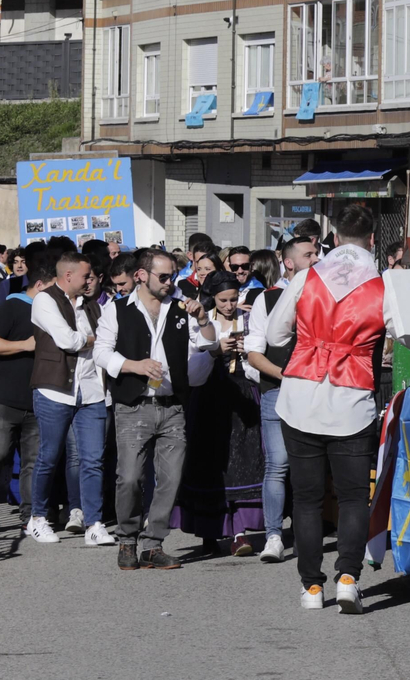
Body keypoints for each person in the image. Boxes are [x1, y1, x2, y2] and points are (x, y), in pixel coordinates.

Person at [262, 202, 399, 612]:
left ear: (334, 238)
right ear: (373, 240)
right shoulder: (383, 284)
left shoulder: (306, 276)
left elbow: (273, 332)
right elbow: (408, 334)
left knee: (306, 497)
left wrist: (311, 340)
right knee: (354, 496)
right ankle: (347, 579)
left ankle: (311, 587)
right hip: (351, 401)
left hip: (300, 396)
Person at [96, 248, 213, 570]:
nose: (169, 282)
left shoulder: (179, 308)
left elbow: (208, 344)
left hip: (173, 405)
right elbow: (101, 353)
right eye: (163, 276)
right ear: (141, 276)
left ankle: (153, 545)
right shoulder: (117, 310)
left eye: (172, 276)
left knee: (170, 478)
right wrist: (134, 365)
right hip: (133, 406)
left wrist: (203, 320)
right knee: (129, 478)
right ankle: (127, 539)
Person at [25, 251, 115, 547]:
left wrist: (93, 341)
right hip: (55, 391)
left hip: (91, 392)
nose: (91, 280)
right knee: (49, 456)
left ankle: (94, 523)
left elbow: (107, 339)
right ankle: (38, 518)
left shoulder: (92, 305)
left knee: (93, 460)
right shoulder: (45, 299)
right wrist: (91, 341)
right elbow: (68, 341)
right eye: (86, 276)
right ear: (68, 276)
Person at [173, 270, 266, 555]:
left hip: (241, 397)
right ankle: (209, 531)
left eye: (234, 299)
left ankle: (239, 531)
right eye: (223, 299)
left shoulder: (248, 320)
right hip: (208, 399)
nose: (229, 305)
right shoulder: (201, 321)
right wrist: (214, 350)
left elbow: (258, 362)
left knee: (243, 465)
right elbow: (191, 368)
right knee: (209, 464)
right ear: (213, 298)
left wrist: (246, 352)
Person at [246, 232, 319, 562]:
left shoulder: (324, 296)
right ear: (289, 263)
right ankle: (273, 536)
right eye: (308, 255)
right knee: (278, 464)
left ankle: (307, 534)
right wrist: (285, 375)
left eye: (317, 252)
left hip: (315, 393)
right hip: (277, 390)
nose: (316, 258)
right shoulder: (267, 299)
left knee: (311, 466)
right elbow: (254, 353)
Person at [0, 244, 46, 532]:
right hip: (3, 397)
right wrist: (24, 345)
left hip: (37, 397)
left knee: (32, 460)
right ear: (40, 285)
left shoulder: (53, 312)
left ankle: (29, 516)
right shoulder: (13, 305)